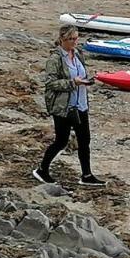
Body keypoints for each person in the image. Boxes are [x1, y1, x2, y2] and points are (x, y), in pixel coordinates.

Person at [35, 24, 104, 187]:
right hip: (63, 107)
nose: (74, 42)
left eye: (76, 38)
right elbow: (51, 83)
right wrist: (73, 82)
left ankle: (86, 174)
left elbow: (81, 74)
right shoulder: (55, 59)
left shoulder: (78, 53)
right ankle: (42, 169)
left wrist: (86, 80)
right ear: (62, 39)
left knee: (84, 140)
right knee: (61, 141)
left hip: (80, 105)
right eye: (71, 39)